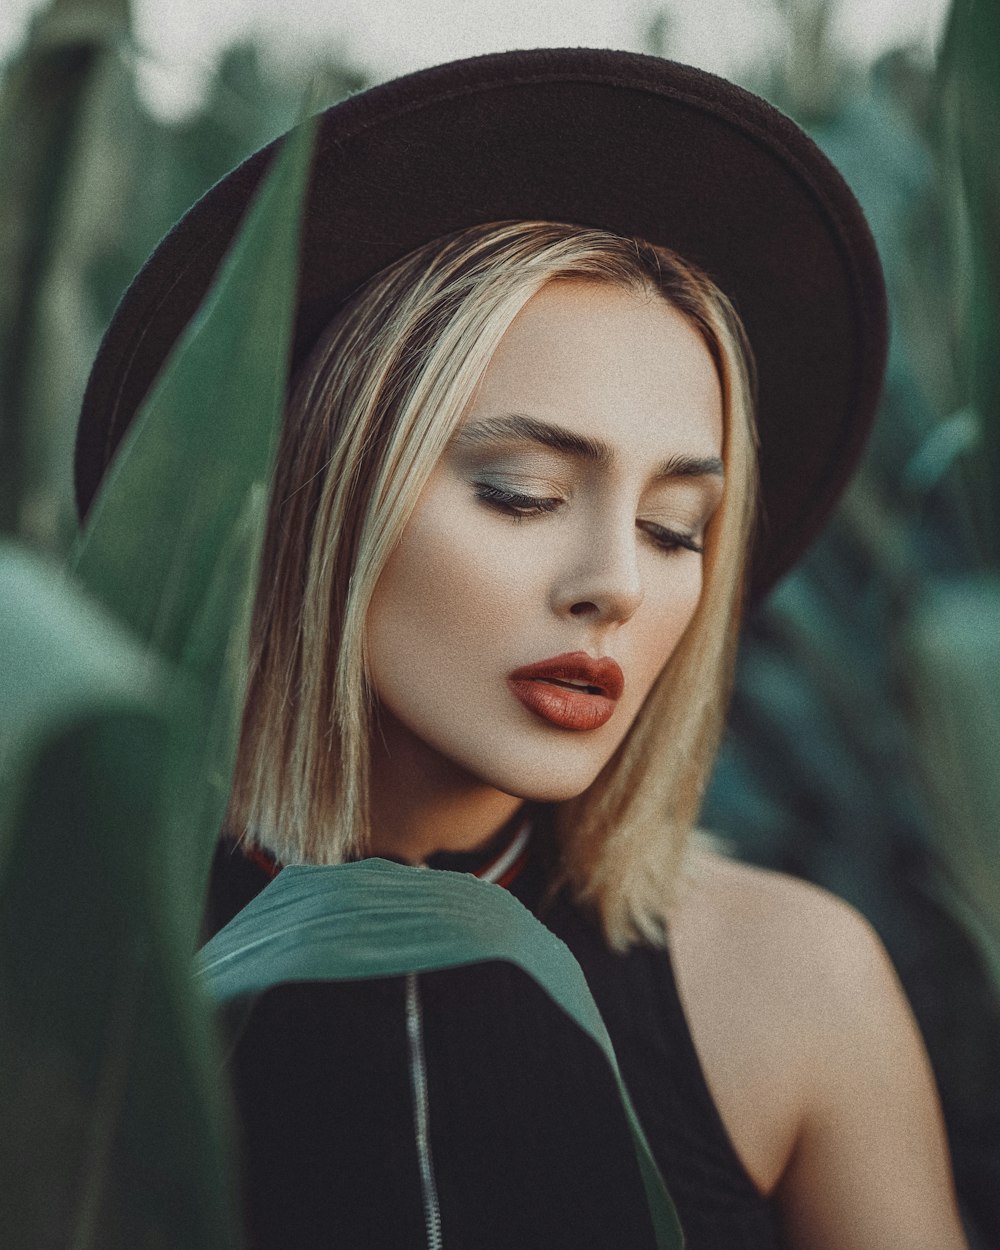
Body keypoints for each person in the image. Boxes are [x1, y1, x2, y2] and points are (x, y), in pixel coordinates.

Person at [75, 49, 968, 1250]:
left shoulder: (787, 986)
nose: (616, 584)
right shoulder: (76, 979)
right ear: (319, 496)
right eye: (521, 491)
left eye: (675, 527)